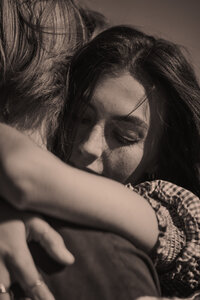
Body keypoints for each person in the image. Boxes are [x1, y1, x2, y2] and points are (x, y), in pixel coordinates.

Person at [0, 24, 200, 299]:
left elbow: (23, 173)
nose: (88, 146)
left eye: (124, 136)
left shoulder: (164, 211)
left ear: (159, 157)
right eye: (80, 117)